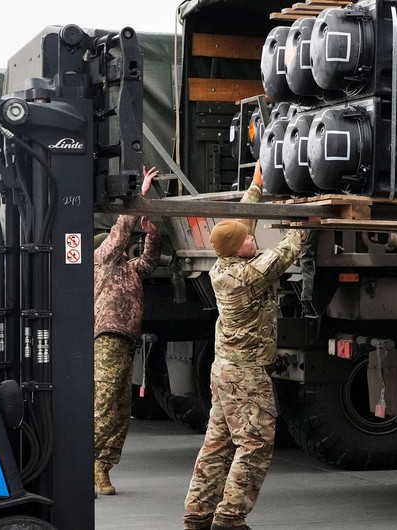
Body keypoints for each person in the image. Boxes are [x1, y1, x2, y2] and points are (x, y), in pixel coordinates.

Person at [183, 163, 310, 530]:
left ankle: (197, 516)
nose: (254, 239)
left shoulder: (225, 265)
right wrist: (304, 214)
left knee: (218, 446)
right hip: (245, 376)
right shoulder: (249, 275)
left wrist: (255, 188)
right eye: (248, 240)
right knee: (255, 444)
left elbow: (243, 227)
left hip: (225, 371)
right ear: (240, 250)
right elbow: (289, 249)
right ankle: (229, 518)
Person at [93, 166, 160, 495]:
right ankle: (85, 461)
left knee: (121, 409)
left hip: (126, 342)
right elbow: (119, 232)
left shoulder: (129, 270)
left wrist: (152, 234)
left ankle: (102, 468)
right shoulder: (101, 261)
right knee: (104, 403)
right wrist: (141, 196)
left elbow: (149, 261)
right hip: (107, 339)